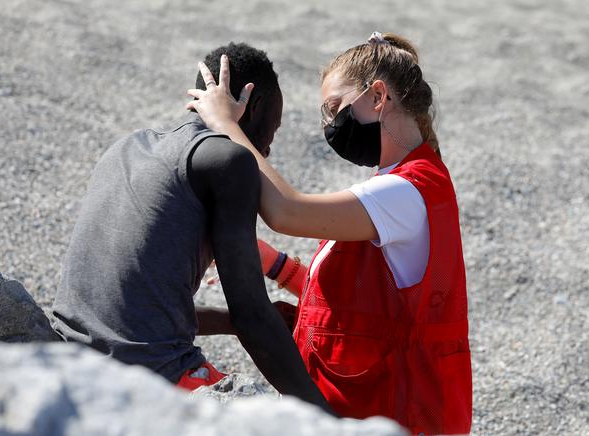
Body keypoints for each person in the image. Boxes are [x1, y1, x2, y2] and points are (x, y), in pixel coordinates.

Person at [187, 32, 472, 434]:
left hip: (394, 411)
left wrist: (225, 125)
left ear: (378, 97)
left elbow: (286, 211)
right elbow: (362, 303)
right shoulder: (398, 185)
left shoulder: (407, 191)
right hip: (371, 406)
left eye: (334, 108)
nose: (329, 125)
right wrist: (275, 265)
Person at [50, 42, 332, 414]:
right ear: (256, 105)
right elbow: (253, 318)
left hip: (64, 354)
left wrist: (226, 323)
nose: (268, 148)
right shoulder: (229, 161)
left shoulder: (126, 147)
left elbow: (132, 309)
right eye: (273, 131)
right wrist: (324, 419)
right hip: (153, 378)